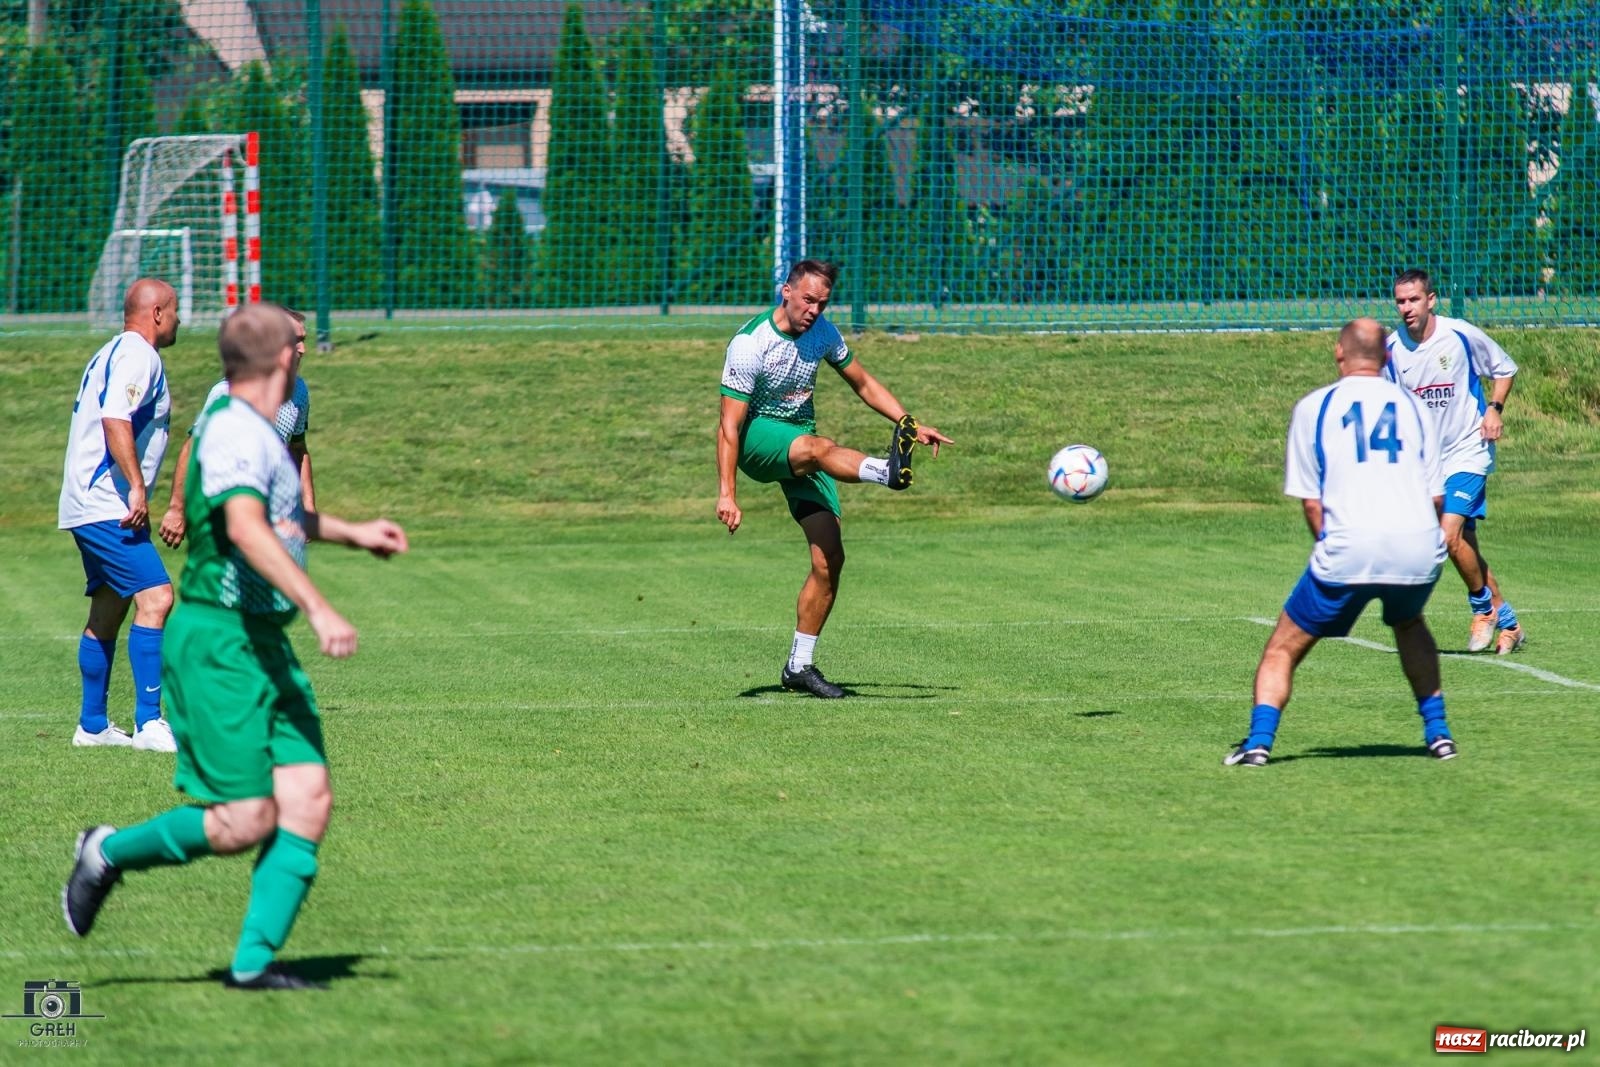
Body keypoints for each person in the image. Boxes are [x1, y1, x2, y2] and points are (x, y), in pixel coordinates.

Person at [62, 304, 409, 991]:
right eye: (297, 345)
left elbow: (280, 512)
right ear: (281, 357)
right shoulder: (231, 429)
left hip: (262, 641)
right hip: (220, 643)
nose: (303, 353)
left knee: (307, 797)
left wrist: (353, 531)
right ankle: (108, 851)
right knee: (242, 821)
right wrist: (318, 606)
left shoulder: (260, 423)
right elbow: (248, 527)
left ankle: (252, 964)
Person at [1224, 318, 1457, 768]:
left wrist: (1335, 552)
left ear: (1338, 353)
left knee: (1283, 647)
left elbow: (1312, 503)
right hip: (1418, 546)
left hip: (1350, 546)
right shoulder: (1414, 407)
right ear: (1387, 357)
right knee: (1409, 623)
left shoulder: (1315, 407)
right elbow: (1435, 497)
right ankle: (1439, 736)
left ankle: (1258, 743)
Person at [717, 259, 952, 698]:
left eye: (822, 303)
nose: (814, 310)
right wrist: (727, 494)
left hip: (803, 445)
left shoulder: (823, 333)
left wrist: (910, 423)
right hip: (757, 441)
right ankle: (887, 472)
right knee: (819, 448)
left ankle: (798, 666)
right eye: (808, 300)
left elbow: (863, 383)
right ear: (786, 291)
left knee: (829, 559)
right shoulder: (750, 344)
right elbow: (729, 426)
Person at [58, 277, 181, 752]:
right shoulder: (138, 354)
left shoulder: (110, 351)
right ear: (157, 313)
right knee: (158, 596)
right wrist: (136, 487)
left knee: (110, 605)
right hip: (108, 503)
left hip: (87, 503)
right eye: (174, 311)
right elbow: (115, 418)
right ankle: (149, 723)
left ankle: (92, 725)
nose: (178, 320)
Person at [1387, 270, 1524, 654]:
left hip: (1469, 448)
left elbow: (1505, 369)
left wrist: (1494, 409)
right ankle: (1509, 623)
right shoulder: (1391, 349)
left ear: (1431, 300)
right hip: (1428, 463)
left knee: (1447, 537)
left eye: (1414, 299)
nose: (1407, 308)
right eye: (1400, 301)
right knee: (1465, 547)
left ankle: (1483, 610)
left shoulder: (1460, 334)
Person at [160, 307, 314, 546]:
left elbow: (298, 449)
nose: (303, 349)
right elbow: (192, 449)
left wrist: (308, 508)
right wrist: (176, 509)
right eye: (296, 341)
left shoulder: (299, 391)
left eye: (303, 340)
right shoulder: (228, 393)